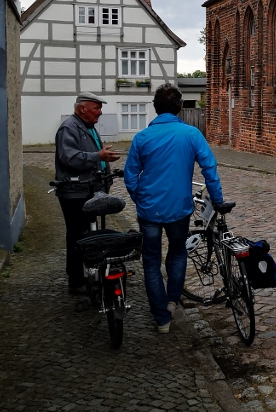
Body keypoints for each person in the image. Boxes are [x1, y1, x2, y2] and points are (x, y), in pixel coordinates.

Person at [124, 83, 225, 333]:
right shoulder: (191, 135)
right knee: (178, 253)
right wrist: (218, 198)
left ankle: (161, 319)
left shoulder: (142, 138)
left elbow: (130, 176)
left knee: (151, 261)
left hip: (148, 209)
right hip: (179, 207)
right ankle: (171, 301)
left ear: (155, 108)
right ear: (180, 107)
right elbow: (209, 168)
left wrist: (140, 197)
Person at [54, 92, 122, 294]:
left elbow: (91, 155)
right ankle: (76, 280)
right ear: (82, 108)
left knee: (91, 233)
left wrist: (103, 160)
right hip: (74, 193)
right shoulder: (69, 127)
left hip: (89, 190)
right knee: (77, 235)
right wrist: (98, 155)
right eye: (97, 108)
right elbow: (69, 157)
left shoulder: (87, 127)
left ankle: (92, 272)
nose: (100, 112)